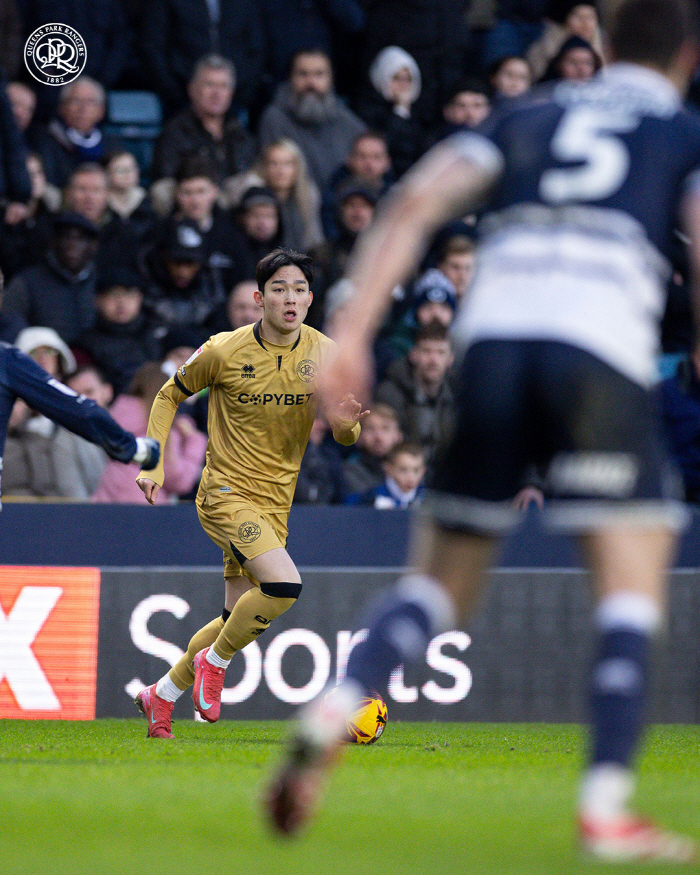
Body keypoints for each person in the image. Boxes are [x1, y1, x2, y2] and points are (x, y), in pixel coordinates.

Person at [265, 0, 700, 861]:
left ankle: (335, 704)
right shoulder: (679, 129)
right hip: (598, 348)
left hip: (493, 345)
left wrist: (349, 337)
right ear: (688, 54)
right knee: (631, 576)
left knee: (439, 583)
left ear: (603, 47)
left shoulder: (524, 111)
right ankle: (606, 805)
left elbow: (413, 202)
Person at [132, 247, 367, 738]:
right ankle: (215, 665)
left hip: (275, 502)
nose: (291, 298)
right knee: (284, 586)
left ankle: (161, 696)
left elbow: (347, 436)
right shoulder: (223, 349)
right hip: (223, 493)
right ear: (260, 298)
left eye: (300, 289)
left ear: (310, 299)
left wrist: (345, 427)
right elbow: (167, 394)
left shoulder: (325, 354)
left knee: (231, 615)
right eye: (279, 288)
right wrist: (152, 465)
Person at [0, 314, 159, 505]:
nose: (42, 359)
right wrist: (135, 449)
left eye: (49, 351)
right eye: (34, 353)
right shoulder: (6, 363)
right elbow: (82, 413)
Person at [150, 54, 255, 211]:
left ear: (231, 93)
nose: (216, 93)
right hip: (191, 203)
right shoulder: (174, 131)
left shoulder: (239, 132)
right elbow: (167, 177)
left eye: (223, 86)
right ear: (192, 89)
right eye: (209, 85)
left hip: (232, 209)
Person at [92, 361, 206, 504]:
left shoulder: (116, 416)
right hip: (147, 508)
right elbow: (179, 481)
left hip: (105, 504)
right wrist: (194, 440)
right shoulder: (163, 427)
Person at [258, 50, 367, 190]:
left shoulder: (347, 120)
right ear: (290, 78)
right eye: (303, 74)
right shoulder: (274, 119)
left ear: (331, 79)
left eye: (319, 74)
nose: (311, 83)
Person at [2, 211, 100, 345]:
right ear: (54, 242)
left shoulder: (101, 281)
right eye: (66, 237)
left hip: (93, 361)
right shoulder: (27, 282)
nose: (72, 246)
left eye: (80, 239)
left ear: (92, 246)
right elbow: (11, 328)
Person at [347, 441, 426, 509]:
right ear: (388, 469)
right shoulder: (371, 497)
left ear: (423, 471)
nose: (410, 477)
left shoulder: (427, 499)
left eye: (416, 470)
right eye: (403, 470)